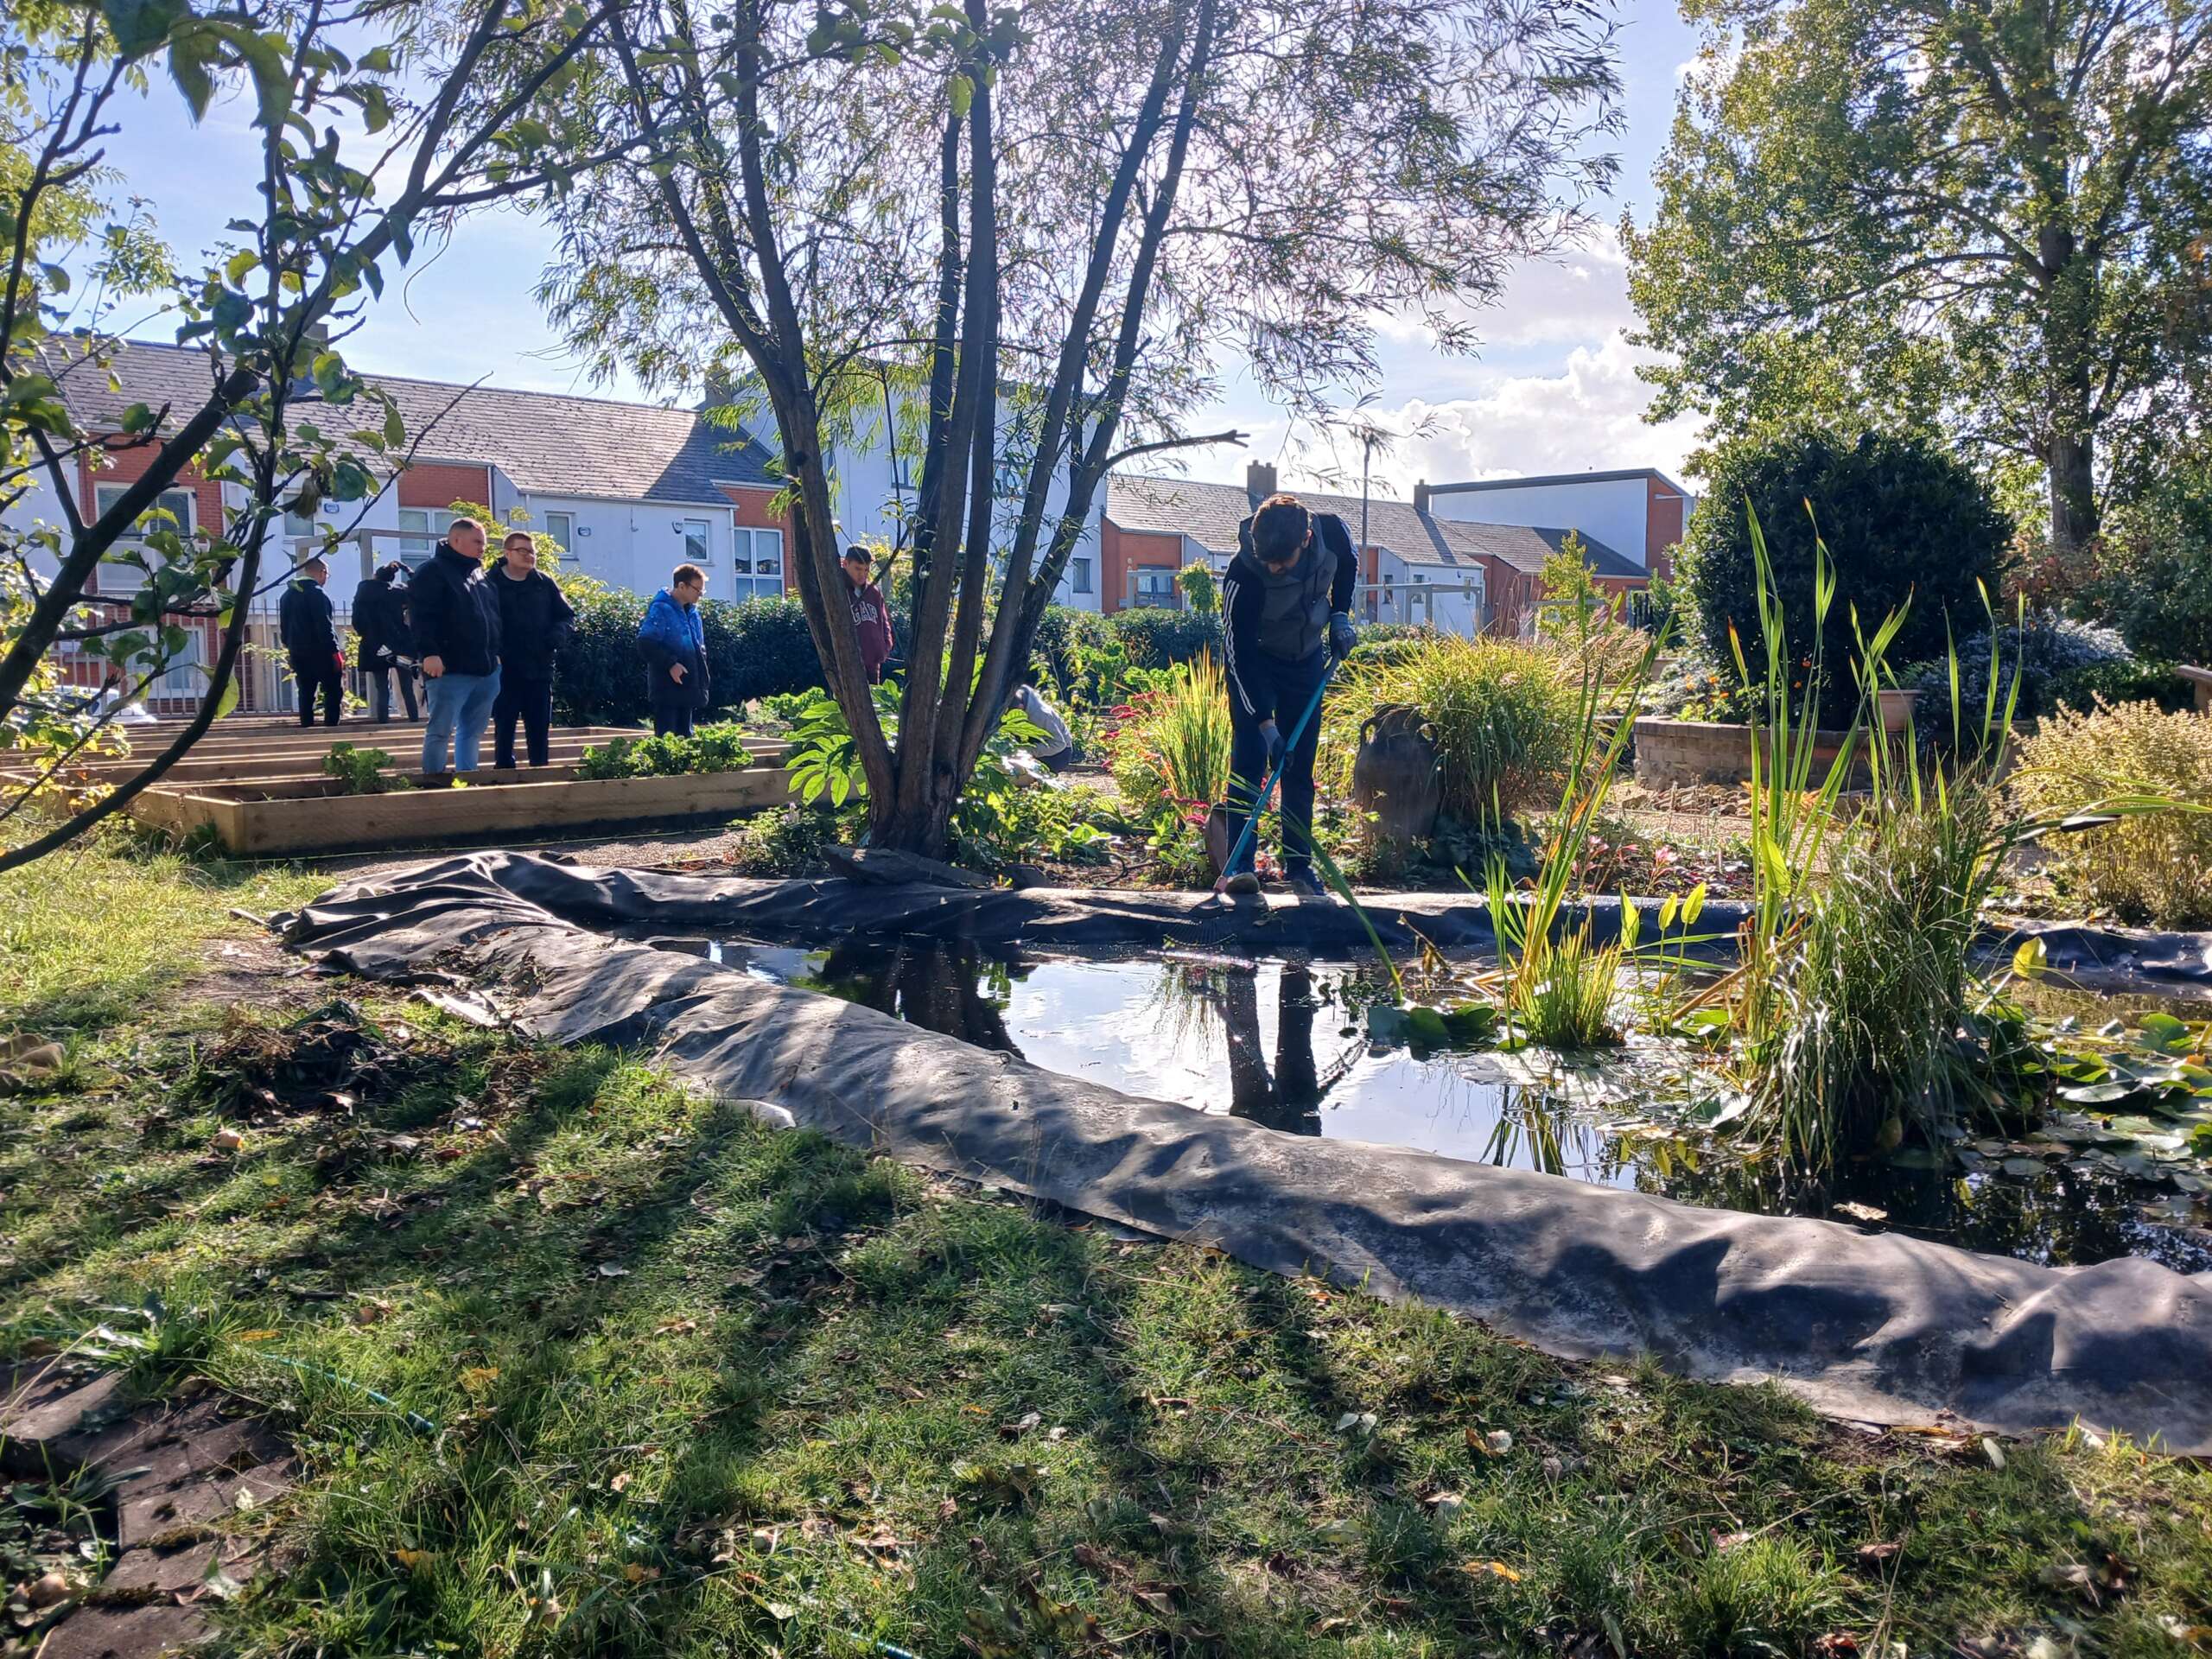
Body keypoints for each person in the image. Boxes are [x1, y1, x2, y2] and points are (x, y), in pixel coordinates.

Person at [1218, 491, 1357, 896]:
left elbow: (1348, 566)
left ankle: (1299, 868)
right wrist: (1266, 727)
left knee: (1299, 769)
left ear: (1307, 539)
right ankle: (1242, 867)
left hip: (1306, 658)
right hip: (1256, 663)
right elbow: (1237, 653)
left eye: (1283, 561)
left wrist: (1339, 616)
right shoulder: (1243, 574)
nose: (1275, 569)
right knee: (1248, 765)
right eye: (1269, 562)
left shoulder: (1333, 534)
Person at [409, 517, 504, 774]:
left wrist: (495, 656)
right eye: (477, 541)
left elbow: (492, 618)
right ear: (456, 540)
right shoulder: (432, 572)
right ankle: (433, 784)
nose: (482, 547)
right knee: (440, 731)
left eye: (483, 542)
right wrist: (429, 652)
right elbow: (421, 615)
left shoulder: (479, 575)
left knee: (472, 732)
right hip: (450, 669)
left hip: (485, 669)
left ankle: (467, 778)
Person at [488, 531, 575, 767]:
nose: (529, 556)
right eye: (522, 551)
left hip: (539, 668)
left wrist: (557, 635)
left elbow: (567, 616)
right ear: (507, 553)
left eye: (532, 551)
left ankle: (540, 778)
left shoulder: (544, 583)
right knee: (504, 728)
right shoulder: (490, 583)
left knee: (539, 730)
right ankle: (503, 779)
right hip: (504, 670)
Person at [639, 562, 709, 737]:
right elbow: (645, 643)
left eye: (702, 591)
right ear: (682, 586)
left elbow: (699, 648)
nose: (700, 595)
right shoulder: (661, 609)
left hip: (688, 686)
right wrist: (671, 664)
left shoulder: (693, 613)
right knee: (667, 737)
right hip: (667, 689)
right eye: (697, 590)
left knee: (686, 736)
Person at [278, 556, 343, 728]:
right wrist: (335, 652)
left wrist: (288, 645)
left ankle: (306, 726)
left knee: (306, 691)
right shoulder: (318, 594)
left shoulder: (287, 595)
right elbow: (324, 625)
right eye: (327, 575)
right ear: (322, 573)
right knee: (333, 690)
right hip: (320, 651)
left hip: (297, 651)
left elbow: (283, 626)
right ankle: (331, 727)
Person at [353, 561, 418, 721]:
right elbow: (419, 588)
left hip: (375, 645)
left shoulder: (363, 594)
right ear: (391, 578)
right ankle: (413, 720)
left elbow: (357, 622)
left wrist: (367, 634)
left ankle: (383, 721)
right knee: (407, 687)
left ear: (375, 575)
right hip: (400, 645)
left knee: (381, 687)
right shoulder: (398, 593)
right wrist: (408, 570)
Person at [842, 546, 893, 682]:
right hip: (848, 664)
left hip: (873, 662)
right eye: (858, 569)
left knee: (872, 701)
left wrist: (884, 647)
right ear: (845, 564)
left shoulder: (873, 592)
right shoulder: (839, 590)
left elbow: (884, 622)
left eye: (866, 570)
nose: (862, 574)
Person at [1012, 682, 1077, 773]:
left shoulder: (1041, 715)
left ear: (1021, 707)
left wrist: (1026, 750)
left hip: (1059, 755)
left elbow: (1059, 744)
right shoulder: (1022, 696)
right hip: (1041, 744)